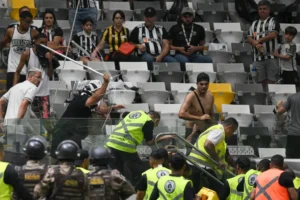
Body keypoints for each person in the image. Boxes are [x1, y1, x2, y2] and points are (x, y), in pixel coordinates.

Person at [50, 75, 110, 157]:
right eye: (98, 91)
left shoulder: (85, 101)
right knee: (60, 158)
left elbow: (101, 109)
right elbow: (95, 98)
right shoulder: (81, 99)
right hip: (63, 134)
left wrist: (114, 107)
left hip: (73, 134)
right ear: (93, 91)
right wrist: (106, 83)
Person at [105, 110, 161, 184]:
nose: (155, 126)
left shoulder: (134, 113)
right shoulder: (148, 121)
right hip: (125, 145)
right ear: (156, 120)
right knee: (139, 169)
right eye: (156, 124)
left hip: (111, 143)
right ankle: (138, 189)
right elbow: (150, 142)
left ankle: (118, 191)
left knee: (117, 171)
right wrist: (165, 137)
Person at [187, 118, 238, 194]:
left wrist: (233, 166)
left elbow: (225, 155)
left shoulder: (216, 130)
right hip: (199, 166)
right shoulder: (219, 131)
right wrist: (219, 161)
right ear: (229, 127)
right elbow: (207, 145)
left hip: (196, 165)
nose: (231, 134)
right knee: (218, 192)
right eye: (233, 131)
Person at [13, 33, 54, 119]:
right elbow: (17, 71)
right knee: (32, 121)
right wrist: (14, 88)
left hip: (44, 93)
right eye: (41, 42)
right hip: (31, 93)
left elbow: (50, 74)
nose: (43, 45)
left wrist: (50, 61)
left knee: (46, 120)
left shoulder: (48, 53)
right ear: (35, 42)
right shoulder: (27, 53)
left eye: (45, 43)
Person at [0, 69, 41, 147]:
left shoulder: (16, 86)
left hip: (8, 124)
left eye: (40, 78)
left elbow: (0, 102)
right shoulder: (32, 87)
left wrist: (1, 120)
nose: (39, 80)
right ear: (30, 77)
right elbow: (24, 104)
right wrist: (17, 122)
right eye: (38, 77)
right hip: (18, 126)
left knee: (11, 150)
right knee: (17, 153)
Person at [0, 11, 39, 90]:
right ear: (21, 20)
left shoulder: (34, 33)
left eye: (30, 22)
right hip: (12, 68)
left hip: (26, 70)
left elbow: (39, 47)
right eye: (27, 22)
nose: (28, 24)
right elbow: (2, 44)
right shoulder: (11, 31)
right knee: (11, 93)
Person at [247, 0, 280, 90]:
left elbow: (273, 34)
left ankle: (271, 100)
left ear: (269, 10)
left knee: (272, 81)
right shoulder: (254, 23)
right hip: (257, 57)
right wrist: (255, 43)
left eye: (264, 9)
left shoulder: (273, 21)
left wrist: (258, 40)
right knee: (260, 81)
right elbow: (249, 37)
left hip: (271, 57)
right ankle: (263, 99)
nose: (262, 10)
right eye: (260, 9)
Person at [178, 72, 215, 144]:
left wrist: (213, 127)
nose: (204, 86)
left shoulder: (211, 96)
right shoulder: (191, 96)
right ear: (197, 84)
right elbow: (181, 114)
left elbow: (211, 114)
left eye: (206, 84)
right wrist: (200, 118)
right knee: (191, 154)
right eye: (201, 84)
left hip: (205, 130)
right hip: (192, 131)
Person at [277, 93, 300, 158]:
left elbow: (279, 111)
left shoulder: (293, 97)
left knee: (292, 158)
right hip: (294, 133)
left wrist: (279, 104)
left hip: (294, 133)